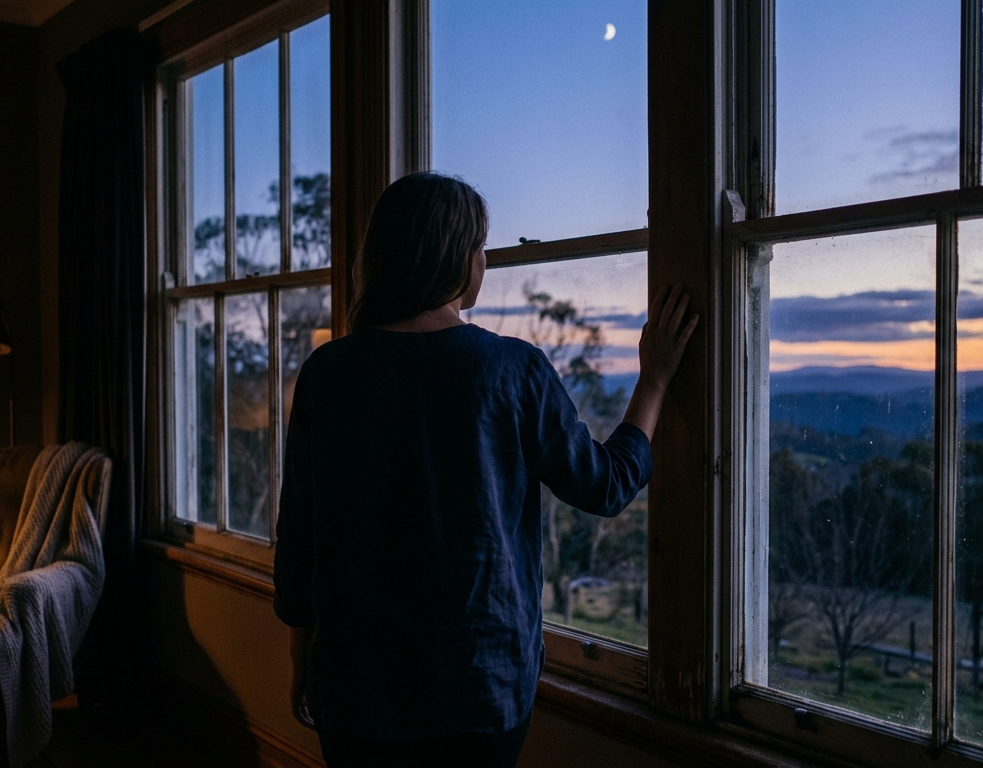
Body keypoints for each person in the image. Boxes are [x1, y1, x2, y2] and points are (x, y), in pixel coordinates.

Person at [274, 172, 697, 768]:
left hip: (357, 683)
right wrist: (654, 378)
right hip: (481, 683)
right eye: (479, 245)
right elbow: (606, 484)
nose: (485, 260)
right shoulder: (512, 370)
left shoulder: (329, 373)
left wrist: (302, 651)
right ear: (452, 256)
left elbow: (300, 533)